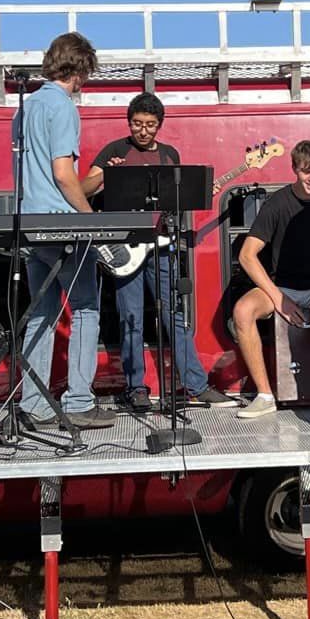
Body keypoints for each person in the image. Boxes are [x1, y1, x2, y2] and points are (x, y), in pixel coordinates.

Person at [83, 92, 237, 414]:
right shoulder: (115, 150)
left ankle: (196, 386)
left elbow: (175, 200)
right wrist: (104, 176)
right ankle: (136, 388)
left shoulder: (169, 155)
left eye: (150, 125)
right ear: (129, 123)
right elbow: (83, 190)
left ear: (159, 126)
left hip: (160, 247)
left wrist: (199, 191)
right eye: (137, 124)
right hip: (125, 250)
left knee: (174, 316)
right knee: (131, 319)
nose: (143, 130)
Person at [11, 33, 114, 436]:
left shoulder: (25, 108)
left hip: (31, 225)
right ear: (80, 70)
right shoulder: (63, 107)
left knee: (42, 313)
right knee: (86, 308)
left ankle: (33, 404)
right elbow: (62, 173)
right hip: (62, 224)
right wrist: (91, 219)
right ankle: (79, 401)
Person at [229, 139, 310, 420]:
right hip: (282, 287)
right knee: (242, 311)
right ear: (294, 168)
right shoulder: (277, 203)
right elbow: (248, 255)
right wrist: (278, 297)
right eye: (306, 171)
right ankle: (264, 396)